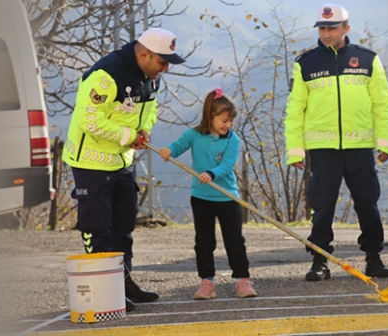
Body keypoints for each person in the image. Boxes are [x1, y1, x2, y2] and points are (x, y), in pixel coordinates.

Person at [62, 27, 186, 311]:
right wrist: (126, 136)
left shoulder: (150, 78)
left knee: (123, 227)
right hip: (91, 162)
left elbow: (150, 110)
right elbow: (88, 121)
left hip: (122, 161)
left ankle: (123, 283)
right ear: (144, 53)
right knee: (98, 227)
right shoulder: (106, 75)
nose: (165, 68)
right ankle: (104, 290)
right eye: (162, 61)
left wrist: (143, 129)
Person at [284, 3, 388, 281]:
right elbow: (295, 109)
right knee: (321, 206)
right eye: (322, 28)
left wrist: (385, 144)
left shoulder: (368, 59)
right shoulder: (305, 63)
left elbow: (382, 104)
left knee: (367, 204)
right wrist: (295, 150)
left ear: (346, 28)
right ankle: (319, 261)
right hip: (322, 150)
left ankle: (373, 258)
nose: (326, 34)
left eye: (332, 28)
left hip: (359, 148)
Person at [159, 89, 257, 300]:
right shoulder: (194, 135)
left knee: (234, 240)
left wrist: (212, 173)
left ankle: (242, 279)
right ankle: (207, 282)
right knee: (204, 241)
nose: (227, 125)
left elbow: (228, 165)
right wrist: (169, 151)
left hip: (226, 197)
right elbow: (178, 146)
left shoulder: (232, 140)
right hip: (201, 197)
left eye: (230, 121)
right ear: (209, 116)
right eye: (223, 120)